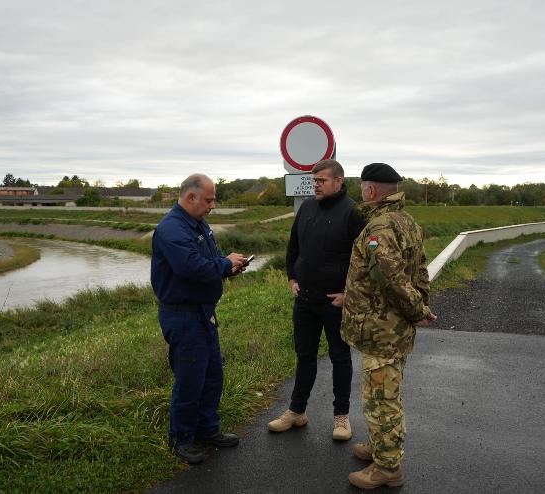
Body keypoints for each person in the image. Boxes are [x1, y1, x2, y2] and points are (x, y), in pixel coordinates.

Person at [340, 163, 437, 489]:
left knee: (381, 399)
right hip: (393, 328)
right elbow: (420, 273)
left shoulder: (379, 228)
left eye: (361, 187)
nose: (360, 193)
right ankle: (379, 447)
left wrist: (416, 311)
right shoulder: (406, 221)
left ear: (370, 190)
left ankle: (387, 467)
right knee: (382, 392)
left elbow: (392, 280)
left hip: (382, 329)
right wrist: (421, 305)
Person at [151, 173, 248, 465]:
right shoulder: (171, 229)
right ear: (191, 197)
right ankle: (182, 439)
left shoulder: (199, 225)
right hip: (182, 315)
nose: (212, 205)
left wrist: (229, 267)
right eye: (208, 199)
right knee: (190, 378)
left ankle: (207, 430)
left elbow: (211, 260)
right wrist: (223, 264)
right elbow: (191, 267)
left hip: (204, 313)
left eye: (213, 199)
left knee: (211, 375)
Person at [268, 159, 365, 440]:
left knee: (340, 357)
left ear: (339, 180)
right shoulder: (307, 208)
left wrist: (351, 294)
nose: (316, 185)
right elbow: (293, 245)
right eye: (314, 180)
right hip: (305, 300)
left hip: (335, 303)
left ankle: (341, 418)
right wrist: (291, 277)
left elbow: (366, 260)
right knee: (304, 356)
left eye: (321, 180)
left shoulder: (353, 212)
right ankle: (297, 411)